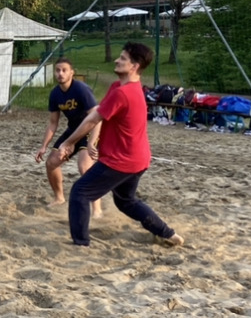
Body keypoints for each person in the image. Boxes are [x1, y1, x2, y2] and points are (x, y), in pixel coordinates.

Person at [58, 42, 184, 248]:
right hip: (138, 158)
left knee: (80, 192)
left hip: (121, 160)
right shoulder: (120, 88)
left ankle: (80, 244)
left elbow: (92, 120)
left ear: (134, 66)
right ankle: (168, 234)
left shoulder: (123, 93)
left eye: (123, 58)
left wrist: (68, 142)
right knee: (125, 200)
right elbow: (101, 113)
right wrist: (90, 138)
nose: (117, 60)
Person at [34, 57, 103, 218]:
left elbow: (96, 117)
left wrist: (92, 142)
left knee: (84, 166)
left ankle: (97, 208)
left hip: (90, 129)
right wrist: (44, 146)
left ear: (72, 72)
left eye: (64, 70)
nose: (60, 73)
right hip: (73, 131)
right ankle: (59, 198)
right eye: (57, 70)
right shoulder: (55, 94)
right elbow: (53, 123)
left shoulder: (81, 89)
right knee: (51, 163)